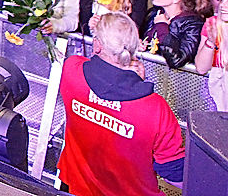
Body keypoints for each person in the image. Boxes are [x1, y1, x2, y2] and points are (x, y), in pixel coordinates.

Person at [58, 12, 184, 196]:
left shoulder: (72, 70)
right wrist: (134, 81)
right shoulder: (155, 109)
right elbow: (174, 174)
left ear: (98, 45)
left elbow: (98, 76)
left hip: (76, 188)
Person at [142, 0, 205, 69]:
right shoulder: (154, 13)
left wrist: (162, 26)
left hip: (177, 81)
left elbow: (177, 60)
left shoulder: (193, 24)